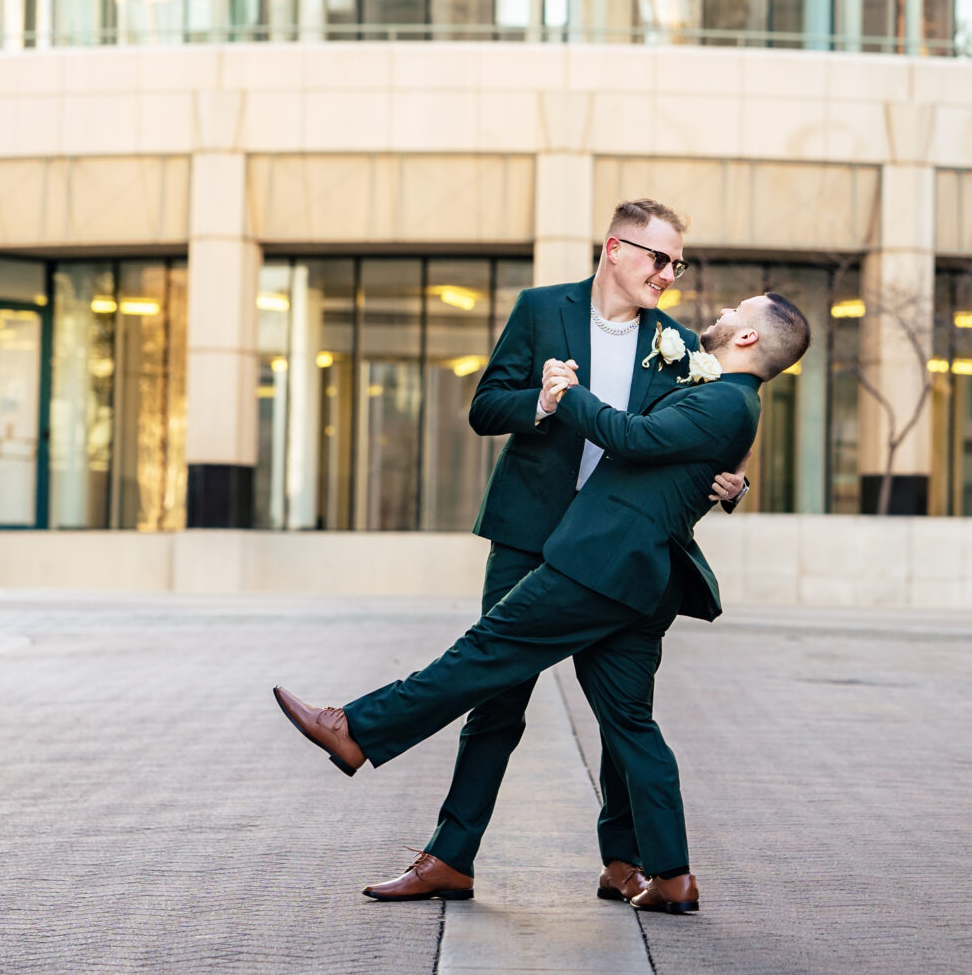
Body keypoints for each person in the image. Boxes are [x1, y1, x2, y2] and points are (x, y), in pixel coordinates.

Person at [275, 292, 813, 917]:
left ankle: (356, 730)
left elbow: (634, 437)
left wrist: (562, 392)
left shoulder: (721, 392)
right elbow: (693, 448)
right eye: (663, 261)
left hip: (599, 563)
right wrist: (730, 472)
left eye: (735, 313)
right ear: (620, 249)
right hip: (630, 572)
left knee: (482, 656)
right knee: (629, 722)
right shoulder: (716, 387)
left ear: (748, 341)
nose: (715, 309)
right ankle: (668, 873)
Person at [349, 200, 747, 907]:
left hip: (618, 550)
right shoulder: (541, 309)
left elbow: (693, 442)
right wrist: (540, 400)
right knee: (494, 699)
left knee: (624, 708)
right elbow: (485, 406)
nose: (668, 274)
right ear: (615, 248)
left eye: (676, 262)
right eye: (659, 258)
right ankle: (450, 858)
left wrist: (730, 482)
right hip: (529, 533)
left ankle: (625, 860)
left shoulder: (682, 345)